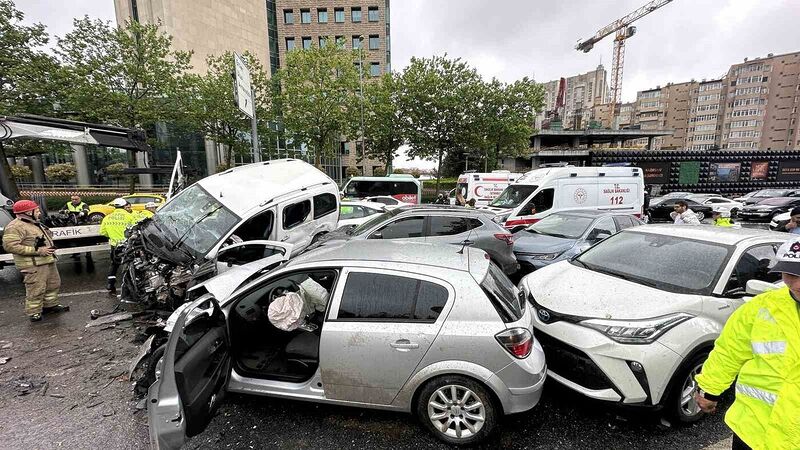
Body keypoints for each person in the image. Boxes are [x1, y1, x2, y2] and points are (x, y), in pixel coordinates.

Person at [694, 238, 800, 450]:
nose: (797, 285)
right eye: (791, 275)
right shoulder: (762, 307)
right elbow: (729, 351)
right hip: (753, 429)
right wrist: (710, 391)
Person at [2, 200, 69, 322]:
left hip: (47, 260)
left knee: (53, 284)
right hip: (33, 264)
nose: (39, 212)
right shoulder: (15, 227)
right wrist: (38, 251)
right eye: (36, 210)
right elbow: (10, 246)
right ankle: (34, 312)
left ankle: (50, 306)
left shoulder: (33, 223)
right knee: (36, 288)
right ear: (28, 212)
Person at [99, 198, 135, 295]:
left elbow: (102, 232)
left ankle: (110, 285)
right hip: (127, 244)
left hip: (114, 245)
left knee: (114, 264)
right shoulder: (129, 216)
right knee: (129, 264)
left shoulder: (107, 217)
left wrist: (112, 236)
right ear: (124, 206)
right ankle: (129, 286)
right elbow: (135, 229)